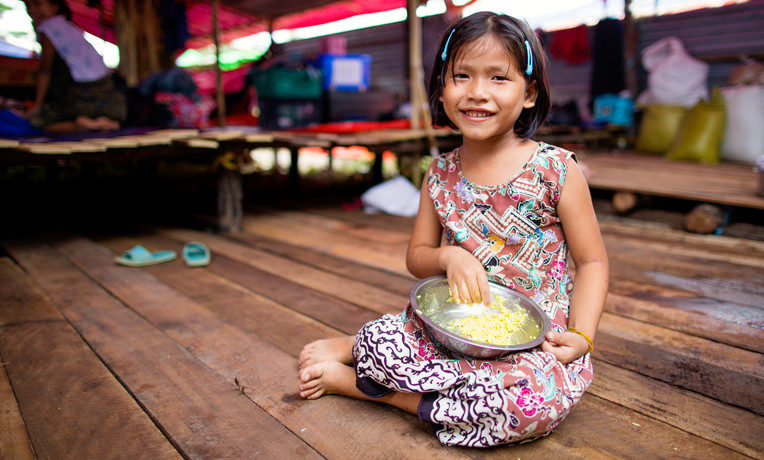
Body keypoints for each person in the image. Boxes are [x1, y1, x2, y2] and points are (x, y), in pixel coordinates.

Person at [298, 12, 609, 447]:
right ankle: (362, 352)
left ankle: (370, 389)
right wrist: (449, 256)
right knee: (388, 341)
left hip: (536, 339)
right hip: (450, 324)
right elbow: (418, 256)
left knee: (526, 406)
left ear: (530, 93)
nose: (477, 93)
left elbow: (592, 262)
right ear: (441, 88)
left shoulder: (555, 171)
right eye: (461, 75)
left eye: (499, 78)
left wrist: (580, 335)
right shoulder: (440, 173)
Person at [24, 0, 127, 133]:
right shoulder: (70, 26)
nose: (32, 10)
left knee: (39, 122)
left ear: (55, 7)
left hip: (86, 95)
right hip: (111, 100)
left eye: (37, 4)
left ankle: (83, 125)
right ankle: (101, 123)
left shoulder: (48, 27)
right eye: (28, 6)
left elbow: (45, 70)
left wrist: (37, 106)